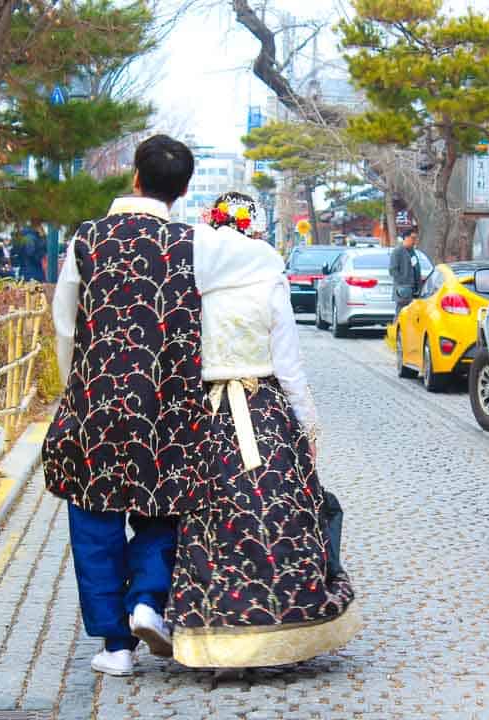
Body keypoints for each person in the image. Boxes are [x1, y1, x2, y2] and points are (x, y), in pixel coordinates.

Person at [44, 135, 281, 678]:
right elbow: (262, 260)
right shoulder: (194, 243)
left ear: (134, 175)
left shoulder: (87, 238)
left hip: (96, 400)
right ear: (185, 189)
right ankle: (148, 600)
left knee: (94, 516)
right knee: (166, 509)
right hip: (169, 403)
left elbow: (65, 323)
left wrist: (72, 392)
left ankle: (115, 646)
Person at [166, 192, 359, 670]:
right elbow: (288, 361)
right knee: (281, 513)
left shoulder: (194, 280)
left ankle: (213, 634)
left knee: (209, 522)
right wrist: (308, 426)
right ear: (252, 229)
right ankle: (288, 626)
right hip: (264, 408)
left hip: (207, 416)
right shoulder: (268, 277)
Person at [389, 228, 421, 315]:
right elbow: (393, 271)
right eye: (413, 238)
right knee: (400, 314)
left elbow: (415, 267)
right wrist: (403, 283)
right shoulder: (398, 251)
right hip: (403, 291)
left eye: (416, 238)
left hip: (414, 290)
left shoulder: (412, 251)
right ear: (406, 238)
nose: (414, 241)